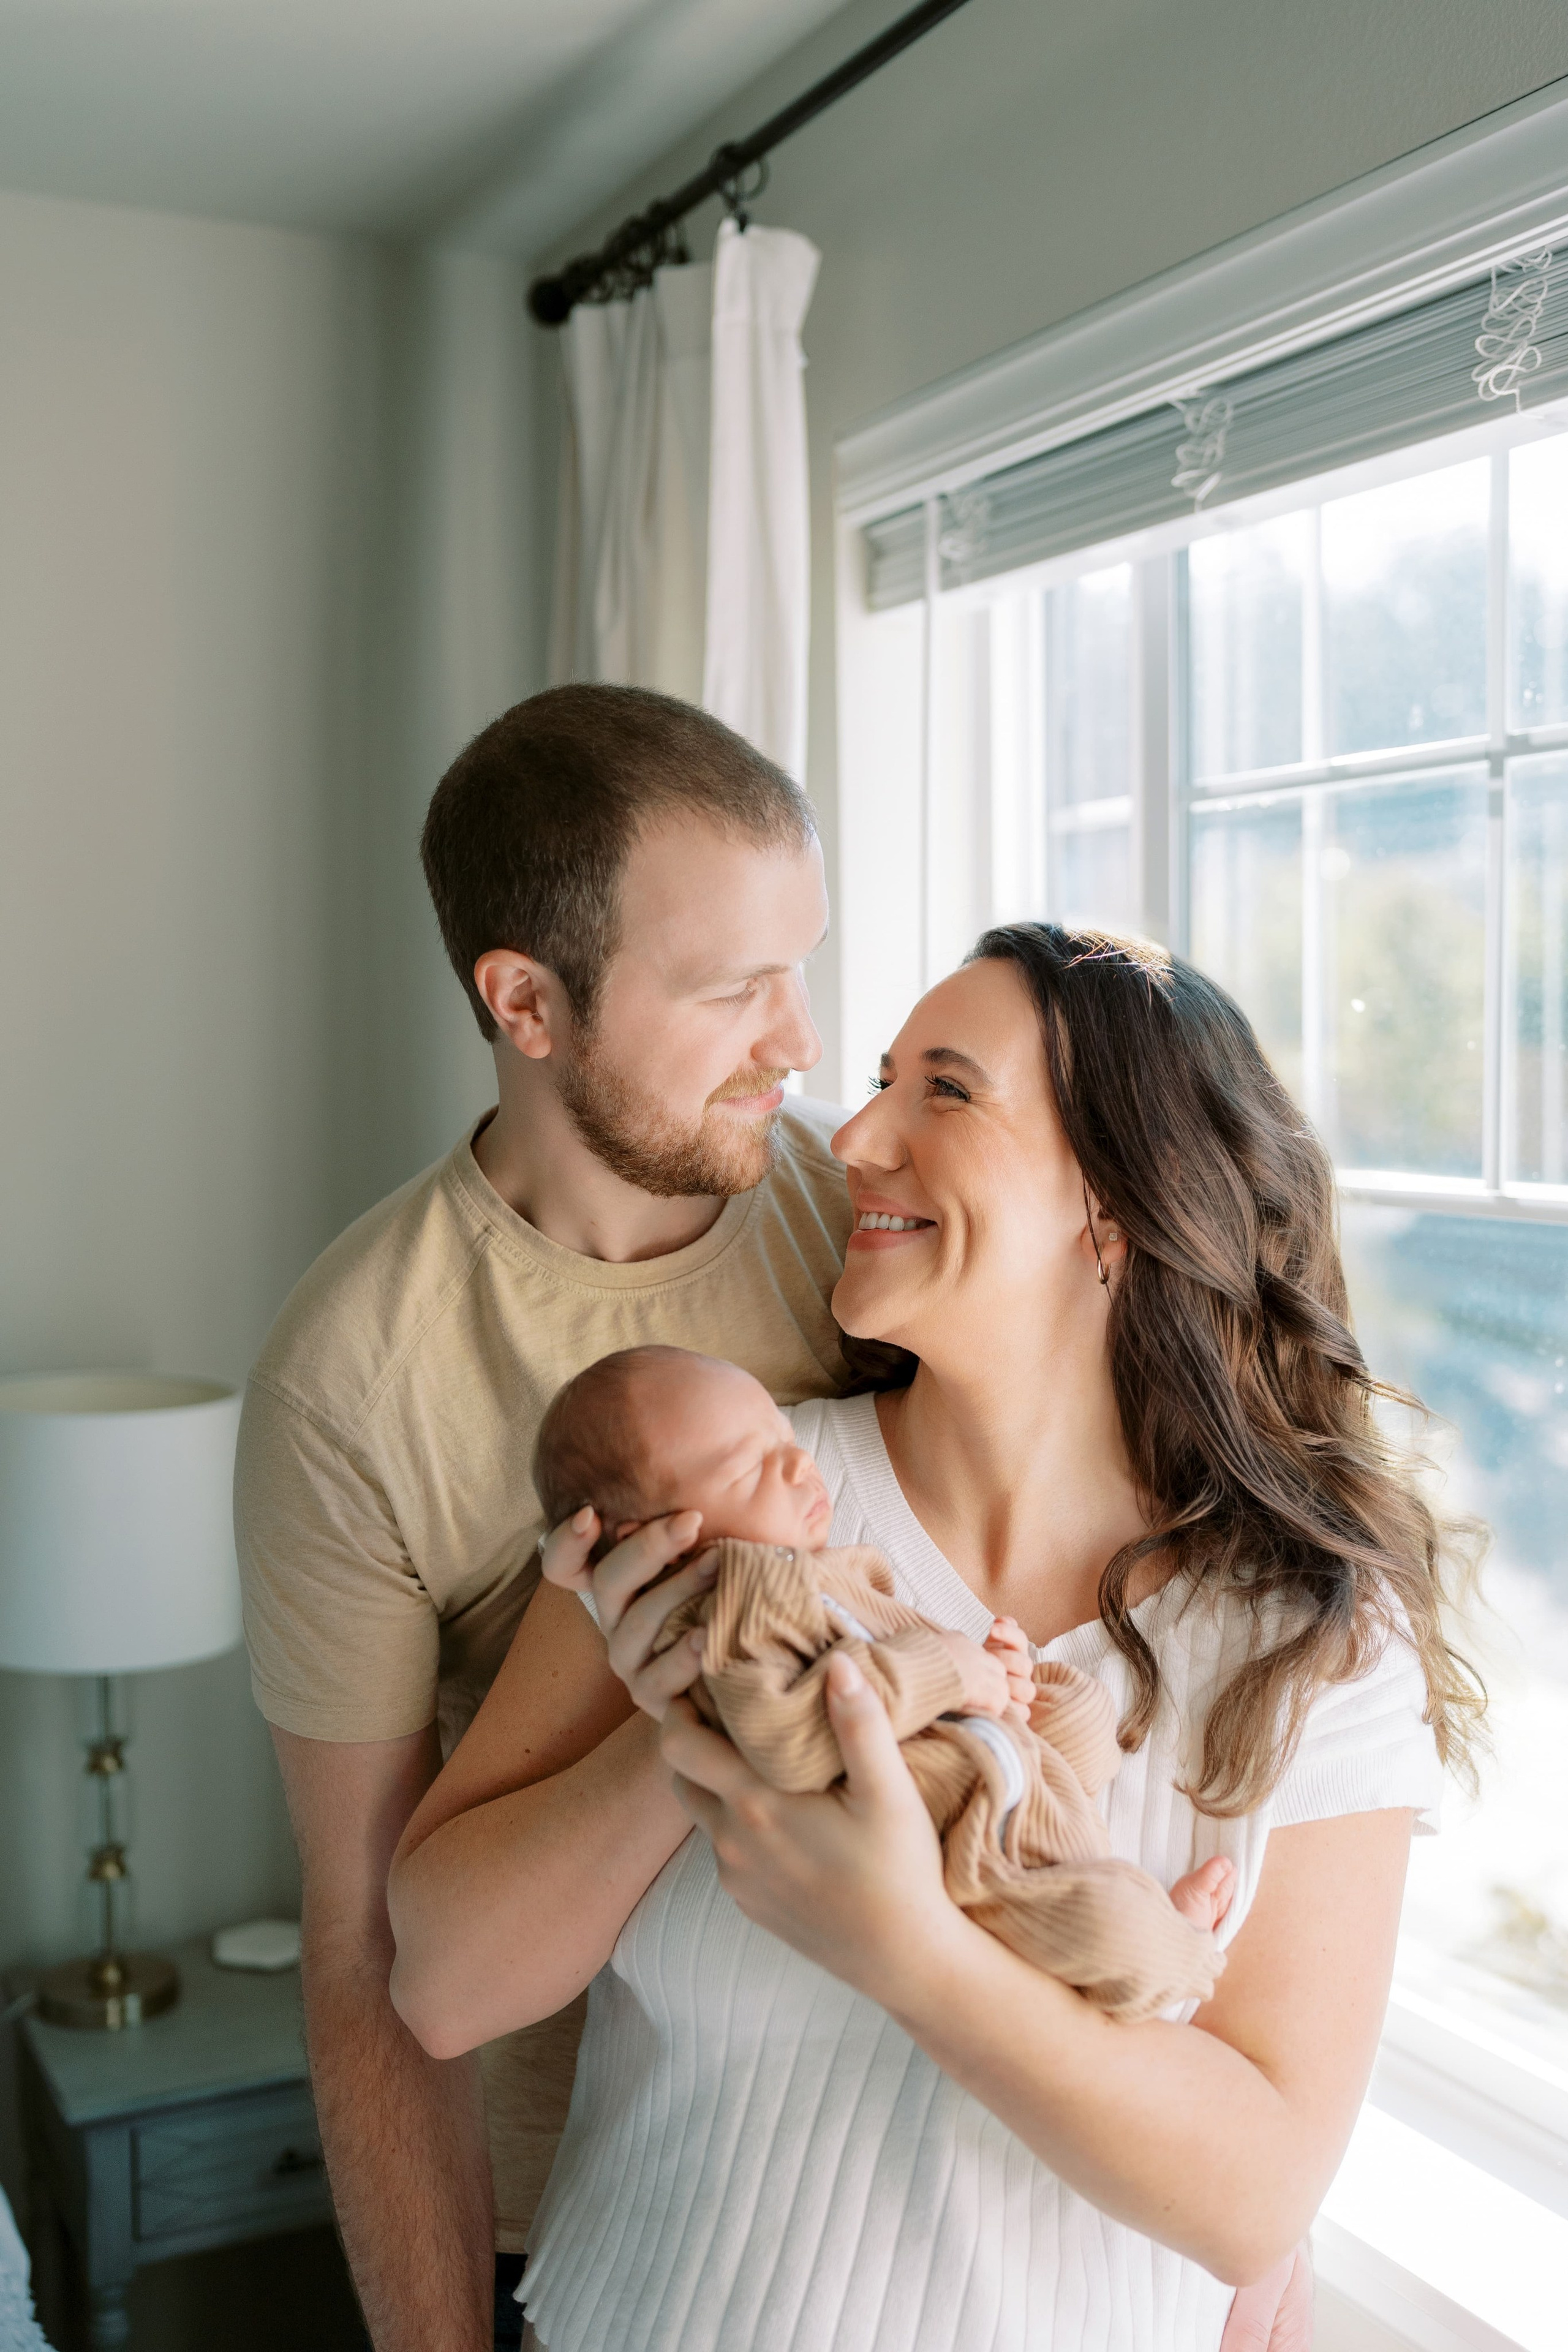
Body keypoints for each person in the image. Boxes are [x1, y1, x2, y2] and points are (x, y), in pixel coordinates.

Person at [388, 923, 1480, 2352]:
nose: (847, 1135)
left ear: (1116, 1203)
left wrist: (906, 1943)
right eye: (880, 1080)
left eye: (944, 1090)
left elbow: (1253, 2196)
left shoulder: (1310, 1638)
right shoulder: (716, 1486)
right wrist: (689, 1736)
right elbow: (441, 1985)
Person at [233, 683, 854, 2352]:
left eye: (798, 965)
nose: (796, 1040)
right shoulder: (350, 1378)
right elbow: (369, 1944)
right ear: (528, 1001)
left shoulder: (870, 1231)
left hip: (893, 2174)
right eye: (733, 989)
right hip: (587, 2222)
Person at [530, 1340, 1237, 2007]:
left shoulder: (830, 1573)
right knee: (1099, 1925)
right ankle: (1178, 1953)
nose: (798, 1467)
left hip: (985, 1764)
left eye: (785, 1442)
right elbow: (790, 1737)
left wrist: (999, 1681)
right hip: (972, 1848)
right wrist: (949, 1668)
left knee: (1079, 1717)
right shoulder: (731, 1615)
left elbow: (901, 1652)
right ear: (656, 1538)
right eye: (750, 1468)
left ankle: (1140, 1911)